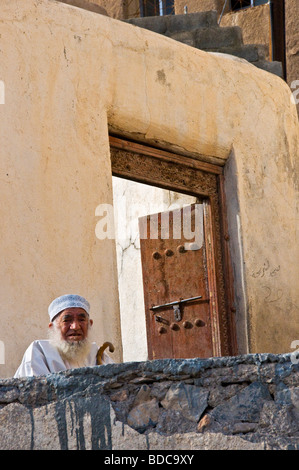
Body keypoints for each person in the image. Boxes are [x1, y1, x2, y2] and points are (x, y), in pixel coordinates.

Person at [14, 294, 114, 378]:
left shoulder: (97, 354)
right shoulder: (39, 350)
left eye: (81, 320)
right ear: (52, 327)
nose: (75, 326)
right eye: (66, 320)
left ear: (90, 324)